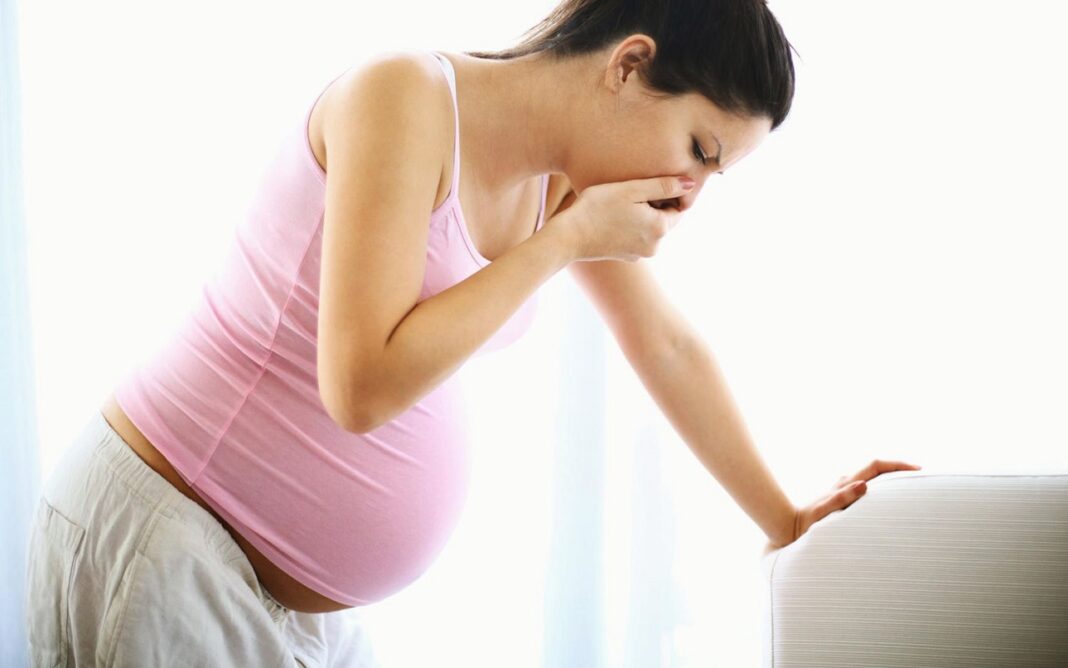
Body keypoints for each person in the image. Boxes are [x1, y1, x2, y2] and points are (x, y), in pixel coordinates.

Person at [24, 0, 921, 665]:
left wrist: (786, 518)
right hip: (172, 538)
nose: (690, 196)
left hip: (285, 597)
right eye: (700, 151)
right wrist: (562, 241)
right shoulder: (403, 98)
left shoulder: (560, 184)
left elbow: (667, 346)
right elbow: (360, 387)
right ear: (628, 65)